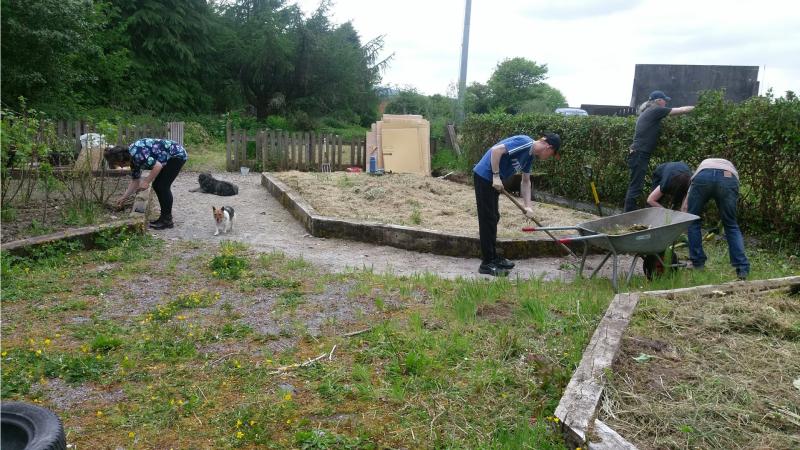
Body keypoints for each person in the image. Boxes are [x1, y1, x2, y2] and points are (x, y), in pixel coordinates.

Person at [473, 133, 561, 276]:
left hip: (494, 182)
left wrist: (528, 206)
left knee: (494, 217)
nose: (549, 157)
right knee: (488, 219)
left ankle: (493, 257)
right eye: (552, 154)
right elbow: (496, 151)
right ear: (549, 147)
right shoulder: (525, 142)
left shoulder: (530, 156)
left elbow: (526, 181)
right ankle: (487, 264)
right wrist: (495, 176)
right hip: (485, 177)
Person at [623, 90, 695, 212]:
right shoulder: (656, 110)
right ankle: (628, 215)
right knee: (636, 186)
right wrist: (697, 108)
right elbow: (681, 110)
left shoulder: (648, 111)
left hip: (638, 153)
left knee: (635, 185)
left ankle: (632, 213)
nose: (666, 102)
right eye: (664, 100)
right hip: (640, 153)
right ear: (658, 101)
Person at [681, 158, 750, 280]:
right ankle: (742, 269)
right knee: (731, 225)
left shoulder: (703, 166)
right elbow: (734, 191)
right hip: (728, 178)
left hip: (703, 176)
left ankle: (697, 263)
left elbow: (691, 187)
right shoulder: (731, 167)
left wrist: (685, 207)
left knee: (693, 221)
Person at [108, 138, 188, 229]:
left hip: (176, 155)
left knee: (162, 186)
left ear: (122, 159)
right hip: (168, 157)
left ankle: (167, 220)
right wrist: (124, 197)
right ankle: (164, 218)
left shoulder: (137, 154)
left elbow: (157, 166)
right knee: (158, 185)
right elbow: (135, 181)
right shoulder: (132, 159)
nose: (121, 167)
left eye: (120, 164)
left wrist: (146, 181)